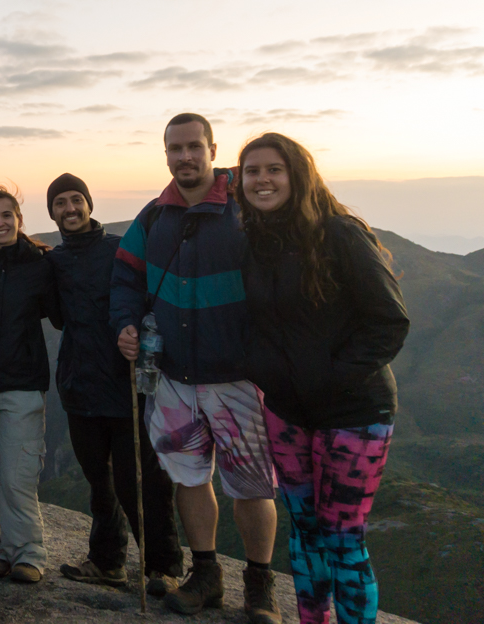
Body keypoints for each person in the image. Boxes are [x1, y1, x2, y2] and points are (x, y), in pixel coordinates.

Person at [111, 113, 281, 624]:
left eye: (193, 147)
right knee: (189, 478)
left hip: (237, 376)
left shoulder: (244, 209)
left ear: (211, 148)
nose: (184, 157)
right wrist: (124, 324)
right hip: (172, 376)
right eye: (174, 149)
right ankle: (206, 575)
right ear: (164, 154)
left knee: (252, 484)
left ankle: (260, 586)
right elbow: (124, 276)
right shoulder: (153, 217)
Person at [237, 133, 408, 624]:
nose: (262, 179)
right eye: (252, 171)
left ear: (298, 174)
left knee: (342, 536)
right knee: (305, 532)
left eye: (274, 169)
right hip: (287, 412)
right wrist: (263, 370)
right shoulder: (255, 241)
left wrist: (331, 379)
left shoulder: (340, 234)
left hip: (354, 413)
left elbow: (389, 321)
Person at [44, 173, 184, 590]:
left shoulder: (120, 250)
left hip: (126, 383)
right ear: (51, 212)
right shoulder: (53, 260)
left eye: (76, 200)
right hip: (79, 384)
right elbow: (55, 315)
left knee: (140, 480)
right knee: (99, 482)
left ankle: (165, 567)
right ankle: (107, 561)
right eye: (60, 204)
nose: (69, 209)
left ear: (89, 204)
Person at [0, 187, 60, 584]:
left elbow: (60, 314)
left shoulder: (41, 264)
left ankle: (29, 554)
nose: (0, 223)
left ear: (19, 219)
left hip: (22, 385)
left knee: (16, 476)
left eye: (7, 215)